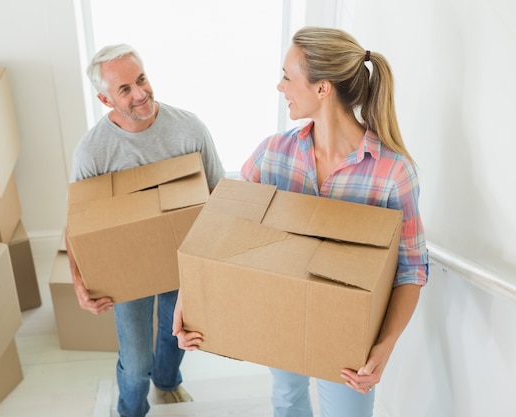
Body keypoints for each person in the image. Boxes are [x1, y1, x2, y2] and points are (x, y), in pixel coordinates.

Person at [173, 26, 428, 417]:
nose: (280, 86)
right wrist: (187, 301)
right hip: (282, 316)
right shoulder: (273, 155)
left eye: (288, 77)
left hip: (348, 338)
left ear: (323, 89)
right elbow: (218, 234)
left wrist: (385, 345)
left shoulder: (392, 173)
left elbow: (410, 269)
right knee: (288, 397)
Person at [66, 43, 225, 417]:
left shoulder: (189, 128)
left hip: (181, 262)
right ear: (106, 99)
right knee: (136, 361)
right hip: (127, 270)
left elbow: (217, 195)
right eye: (125, 89)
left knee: (175, 339)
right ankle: (130, 409)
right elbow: (76, 224)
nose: (140, 94)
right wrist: (78, 284)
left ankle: (167, 384)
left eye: (141, 79)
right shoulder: (93, 152)